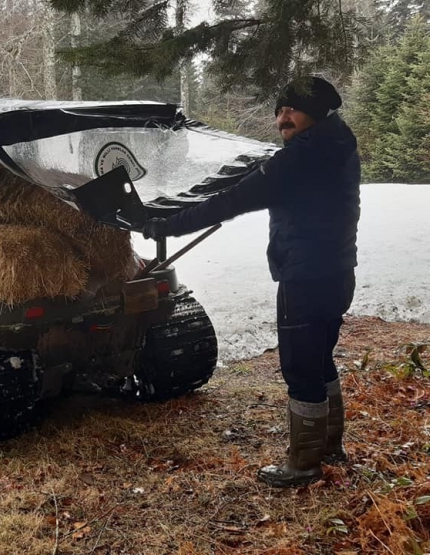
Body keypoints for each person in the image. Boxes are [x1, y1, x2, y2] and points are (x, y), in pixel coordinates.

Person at [142, 76, 360, 488]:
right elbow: (252, 181)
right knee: (319, 360)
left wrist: (167, 225)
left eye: (291, 109)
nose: (282, 119)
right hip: (336, 272)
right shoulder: (337, 144)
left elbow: (233, 200)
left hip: (306, 276)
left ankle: (304, 464)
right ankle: (329, 447)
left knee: (300, 367)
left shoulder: (301, 159)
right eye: (278, 111)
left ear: (313, 111)